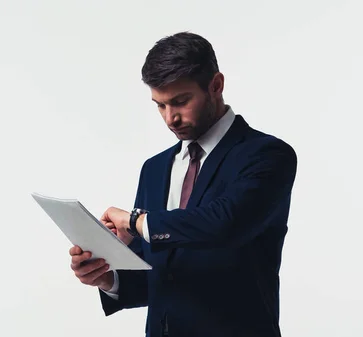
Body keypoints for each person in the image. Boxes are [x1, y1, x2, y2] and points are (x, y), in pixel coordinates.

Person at [69, 31, 297, 337]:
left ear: (216, 85)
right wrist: (107, 278)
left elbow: (224, 225)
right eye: (160, 105)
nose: (170, 118)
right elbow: (161, 278)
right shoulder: (154, 169)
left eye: (180, 101)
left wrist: (136, 220)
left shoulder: (267, 156)